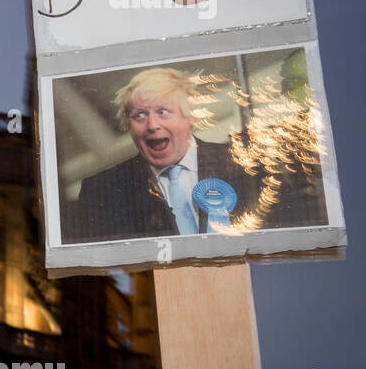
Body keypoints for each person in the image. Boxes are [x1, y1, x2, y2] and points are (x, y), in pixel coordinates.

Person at [68, 66, 327, 243]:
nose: (152, 125)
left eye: (163, 111)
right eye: (139, 115)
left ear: (189, 116)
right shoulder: (101, 189)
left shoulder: (246, 163)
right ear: (129, 126)